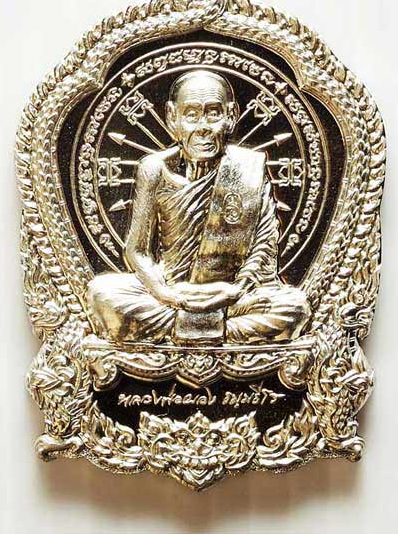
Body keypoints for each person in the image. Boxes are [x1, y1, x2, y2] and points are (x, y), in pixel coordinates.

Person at [87, 70, 310, 345]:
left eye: (213, 114)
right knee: (102, 293)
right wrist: (167, 295)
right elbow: (137, 251)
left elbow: (264, 246)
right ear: (172, 118)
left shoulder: (249, 169)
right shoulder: (154, 169)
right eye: (191, 115)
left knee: (295, 307)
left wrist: (235, 291)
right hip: (171, 291)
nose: (203, 127)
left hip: (231, 294)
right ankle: (219, 328)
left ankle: (186, 327)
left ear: (231, 116)